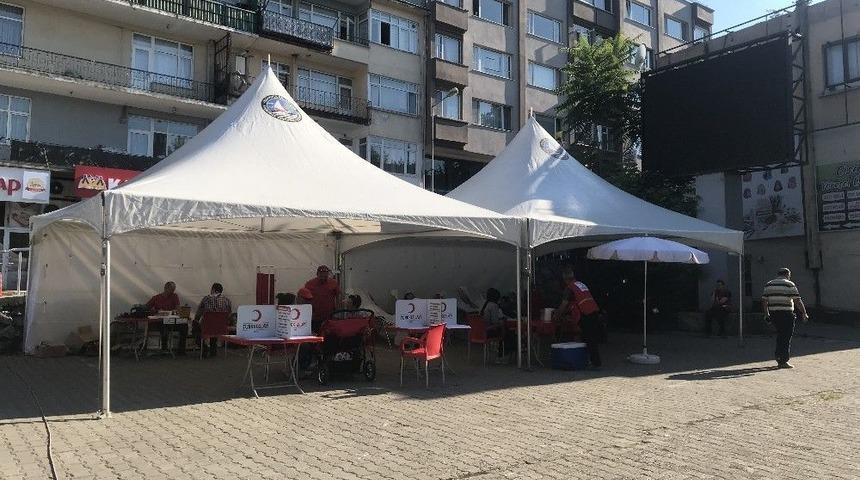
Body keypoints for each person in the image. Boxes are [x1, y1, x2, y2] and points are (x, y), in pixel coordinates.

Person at [553, 268, 602, 368]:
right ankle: (589, 360)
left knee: (588, 338)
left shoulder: (569, 288)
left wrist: (556, 315)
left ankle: (594, 363)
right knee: (590, 337)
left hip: (586, 313)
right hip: (594, 311)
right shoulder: (581, 284)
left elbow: (564, 304)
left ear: (565, 279)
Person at [762, 268, 809, 369]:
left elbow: (764, 301)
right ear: (787, 274)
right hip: (786, 314)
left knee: (780, 335)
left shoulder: (769, 284)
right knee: (786, 337)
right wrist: (804, 313)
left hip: (774, 314)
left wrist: (766, 314)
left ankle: (779, 357)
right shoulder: (789, 284)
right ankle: (782, 360)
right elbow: (797, 300)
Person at [193, 283, 232, 359]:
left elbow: (199, 313)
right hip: (221, 328)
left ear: (213, 290)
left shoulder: (206, 299)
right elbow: (229, 315)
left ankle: (204, 348)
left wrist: (196, 320)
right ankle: (213, 349)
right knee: (215, 326)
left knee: (196, 327)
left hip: (207, 327)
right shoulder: (227, 301)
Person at [146, 281, 186, 355]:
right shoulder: (156, 298)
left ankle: (181, 350)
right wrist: (156, 311)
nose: (172, 291)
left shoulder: (174, 296)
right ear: (165, 288)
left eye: (173, 290)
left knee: (184, 325)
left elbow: (178, 309)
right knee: (162, 324)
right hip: (160, 321)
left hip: (171, 320)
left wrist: (176, 311)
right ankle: (164, 347)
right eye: (171, 289)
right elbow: (146, 308)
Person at [481, 288, 514, 363]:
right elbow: (495, 322)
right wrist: (503, 320)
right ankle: (503, 355)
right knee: (509, 334)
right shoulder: (494, 306)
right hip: (490, 331)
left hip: (482, 331)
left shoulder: (486, 305)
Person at [304, 265, 340, 332]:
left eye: (325, 273)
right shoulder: (310, 284)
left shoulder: (333, 283)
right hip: (315, 317)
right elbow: (305, 299)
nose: (323, 275)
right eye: (321, 273)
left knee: (329, 336)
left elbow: (338, 297)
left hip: (329, 316)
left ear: (328, 274)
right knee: (316, 336)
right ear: (317, 274)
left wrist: (337, 311)